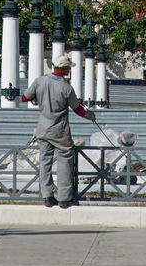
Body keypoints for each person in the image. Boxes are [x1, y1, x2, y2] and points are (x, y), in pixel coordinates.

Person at [24, 55, 96, 208]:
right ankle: (64, 198)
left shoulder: (39, 81)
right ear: (62, 68)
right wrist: (90, 116)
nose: (69, 70)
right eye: (68, 67)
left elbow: (24, 97)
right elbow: (77, 109)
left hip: (42, 130)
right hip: (60, 131)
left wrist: (37, 98)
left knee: (45, 162)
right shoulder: (67, 88)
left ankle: (47, 196)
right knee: (65, 161)